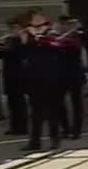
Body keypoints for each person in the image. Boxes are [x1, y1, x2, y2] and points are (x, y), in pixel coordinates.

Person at [21, 14, 66, 151]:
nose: (36, 28)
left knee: (52, 111)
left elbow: (57, 50)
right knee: (35, 112)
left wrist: (41, 38)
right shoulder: (27, 38)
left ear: (46, 25)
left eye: (39, 25)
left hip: (51, 79)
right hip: (34, 79)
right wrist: (26, 41)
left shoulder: (52, 36)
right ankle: (35, 141)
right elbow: (24, 56)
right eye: (34, 25)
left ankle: (54, 139)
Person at [0, 18, 29, 136]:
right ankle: (14, 126)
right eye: (11, 28)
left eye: (15, 28)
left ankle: (23, 127)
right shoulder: (9, 39)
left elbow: (18, 53)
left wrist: (2, 48)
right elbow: (1, 55)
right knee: (11, 102)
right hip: (8, 73)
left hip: (19, 74)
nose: (12, 30)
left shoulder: (22, 40)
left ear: (20, 29)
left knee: (20, 102)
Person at [54, 17, 87, 140]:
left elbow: (75, 46)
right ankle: (65, 128)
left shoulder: (77, 37)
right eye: (63, 25)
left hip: (74, 74)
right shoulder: (57, 38)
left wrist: (64, 37)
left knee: (76, 103)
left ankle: (76, 130)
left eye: (68, 25)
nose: (65, 27)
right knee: (58, 101)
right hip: (60, 75)